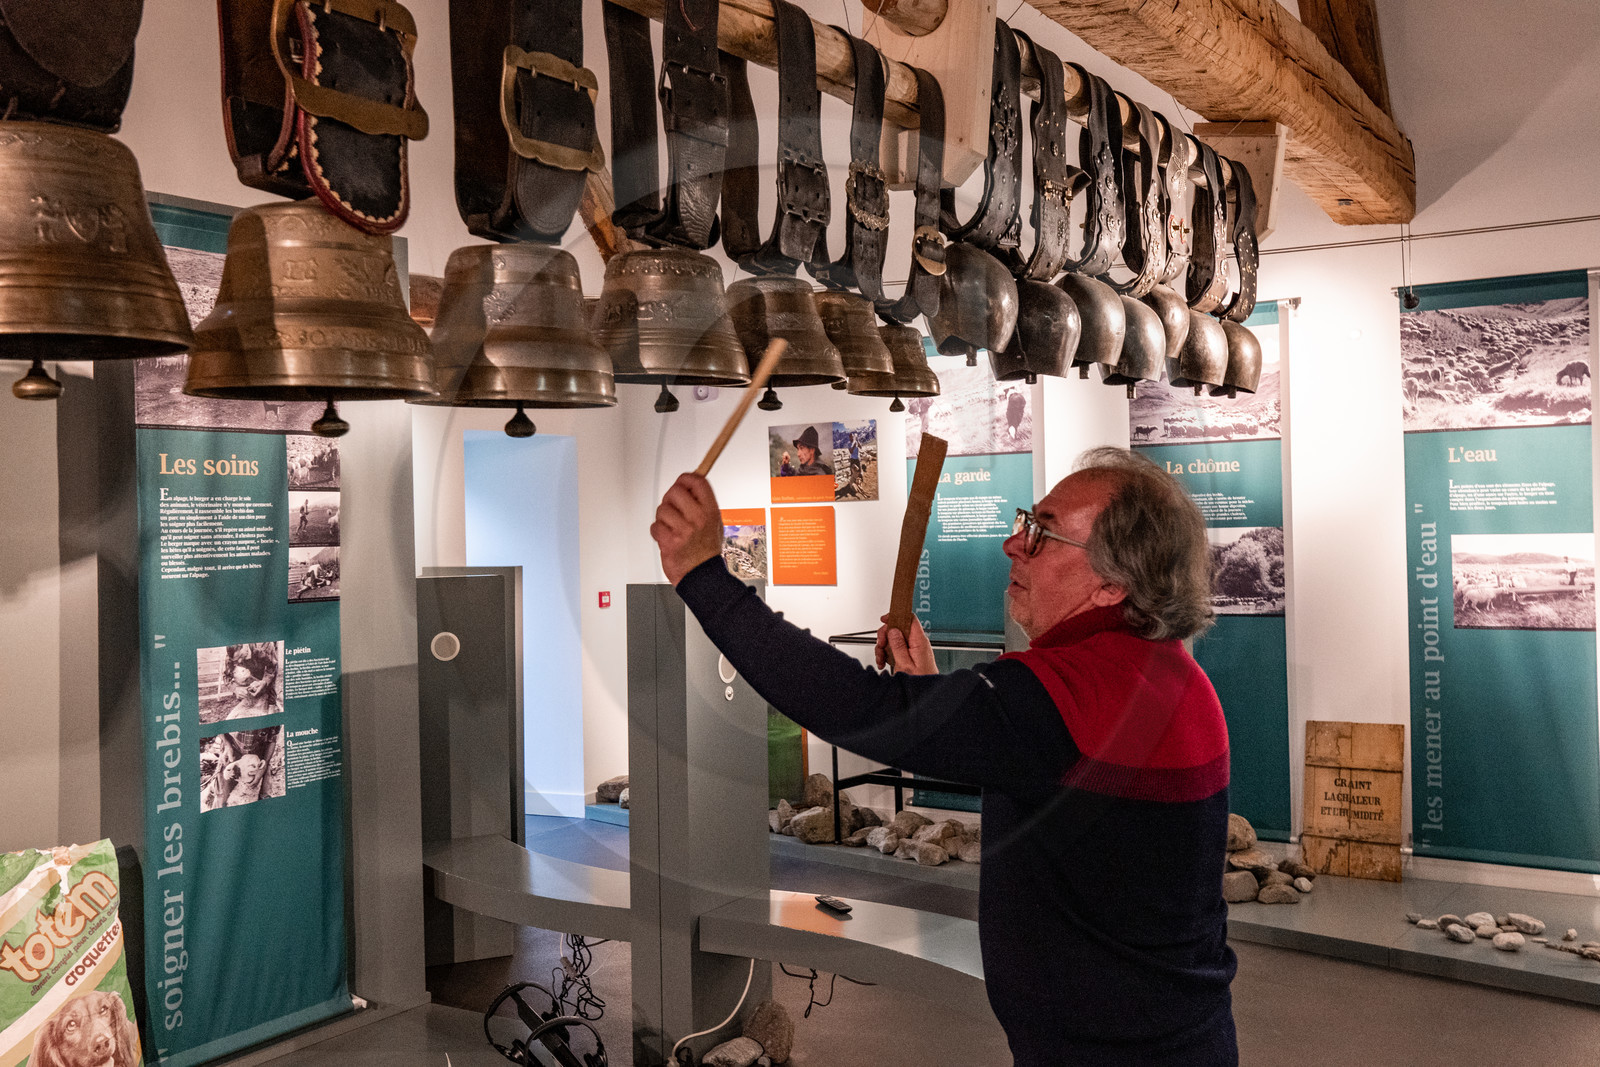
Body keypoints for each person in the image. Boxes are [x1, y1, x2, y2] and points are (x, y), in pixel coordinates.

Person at [652, 447, 1237, 1065]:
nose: (1014, 545)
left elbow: (854, 706)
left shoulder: (1077, 694)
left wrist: (704, 577)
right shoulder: (1166, 676)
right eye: (1023, 522)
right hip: (1170, 1036)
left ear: (1111, 584)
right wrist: (931, 694)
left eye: (1041, 533)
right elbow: (1044, 778)